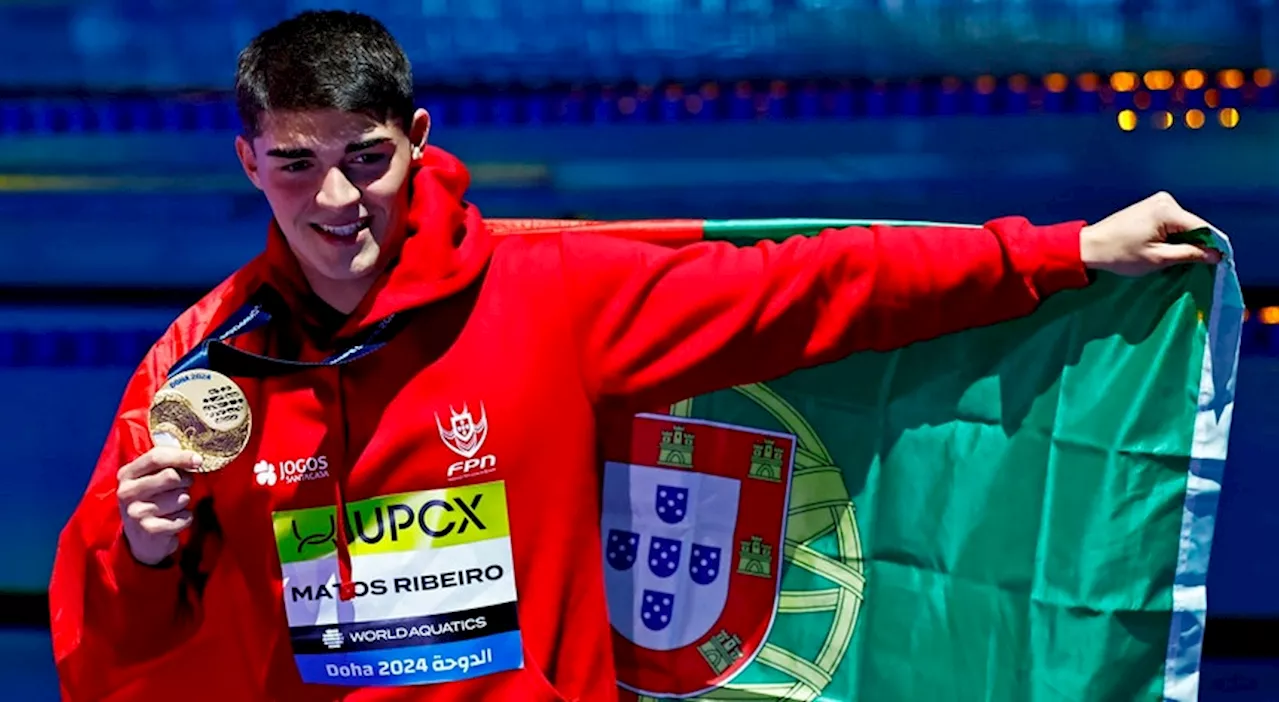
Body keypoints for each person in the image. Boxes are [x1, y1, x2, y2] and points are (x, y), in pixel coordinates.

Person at [47, 9, 1222, 702]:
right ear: (248, 160)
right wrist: (144, 553)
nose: (336, 197)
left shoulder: (548, 297)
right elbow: (110, 648)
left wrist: (1060, 250)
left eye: (364, 157)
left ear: (415, 142)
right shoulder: (204, 368)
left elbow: (812, 286)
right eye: (295, 162)